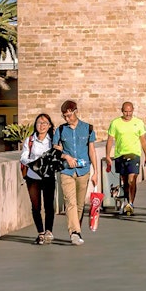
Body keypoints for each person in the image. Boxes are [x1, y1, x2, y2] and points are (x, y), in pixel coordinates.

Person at [53, 100, 99, 246]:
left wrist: (96, 172)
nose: (67, 119)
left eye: (69, 115)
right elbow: (55, 148)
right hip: (66, 170)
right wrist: (66, 156)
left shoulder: (88, 129)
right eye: (65, 116)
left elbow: (92, 151)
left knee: (79, 204)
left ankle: (77, 230)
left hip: (83, 171)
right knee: (70, 202)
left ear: (76, 111)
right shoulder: (60, 130)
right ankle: (74, 232)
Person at [104, 101, 146, 216]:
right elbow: (110, 140)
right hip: (120, 155)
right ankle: (126, 201)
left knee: (131, 179)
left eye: (130, 111)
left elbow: (143, 140)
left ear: (133, 110)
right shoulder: (115, 123)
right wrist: (108, 155)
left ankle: (131, 203)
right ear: (122, 111)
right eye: (125, 111)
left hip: (134, 155)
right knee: (125, 181)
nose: (128, 114)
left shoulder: (138, 123)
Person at [21, 113, 58, 244]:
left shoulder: (53, 140)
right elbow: (23, 157)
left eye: (44, 123)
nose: (41, 126)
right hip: (33, 176)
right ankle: (40, 232)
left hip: (48, 176)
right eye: (39, 123)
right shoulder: (30, 140)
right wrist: (34, 162)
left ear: (49, 126)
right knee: (36, 206)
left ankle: (49, 230)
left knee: (49, 205)